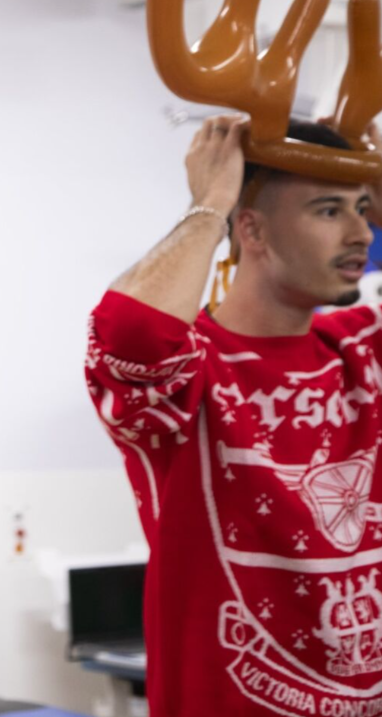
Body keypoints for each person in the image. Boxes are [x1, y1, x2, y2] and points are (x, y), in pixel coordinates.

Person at [85, 114, 382, 716]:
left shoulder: (360, 348)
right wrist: (211, 204)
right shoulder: (194, 370)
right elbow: (131, 334)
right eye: (329, 211)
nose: (361, 233)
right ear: (253, 229)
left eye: (363, 210)